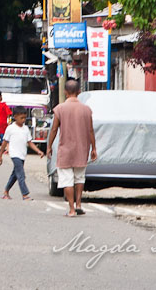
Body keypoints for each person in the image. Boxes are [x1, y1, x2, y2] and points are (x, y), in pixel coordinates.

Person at [46, 78, 98, 217]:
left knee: (67, 179)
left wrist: (49, 146)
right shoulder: (86, 110)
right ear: (79, 92)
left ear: (65, 92)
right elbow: (90, 130)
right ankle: (79, 204)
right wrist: (93, 148)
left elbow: (54, 130)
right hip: (82, 148)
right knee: (79, 178)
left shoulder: (60, 109)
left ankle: (71, 209)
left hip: (65, 150)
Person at [0, 106, 44, 200]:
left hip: (22, 155)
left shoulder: (26, 129)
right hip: (14, 155)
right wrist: (0, 156)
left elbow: (30, 142)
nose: (23, 120)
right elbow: (4, 142)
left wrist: (38, 151)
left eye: (24, 118)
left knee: (15, 175)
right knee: (21, 175)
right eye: (21, 118)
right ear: (15, 117)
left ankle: (6, 191)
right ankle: (25, 194)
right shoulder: (10, 128)